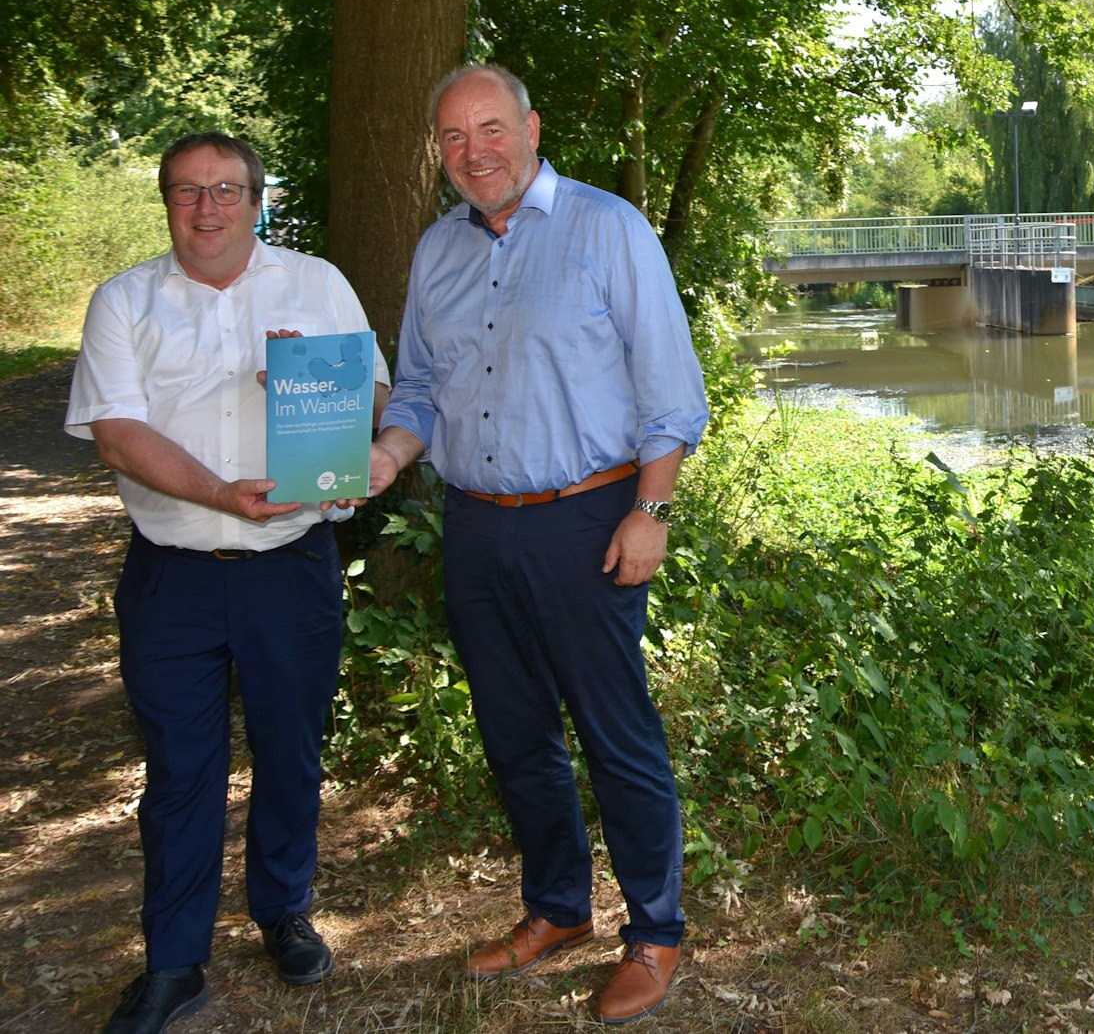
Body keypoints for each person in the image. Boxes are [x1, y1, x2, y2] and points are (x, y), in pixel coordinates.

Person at [366, 63, 708, 1025]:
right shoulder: (436, 250)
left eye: (490, 129)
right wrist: (391, 456)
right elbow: (423, 391)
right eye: (451, 137)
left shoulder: (608, 228)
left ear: (531, 127)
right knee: (516, 735)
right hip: (473, 525)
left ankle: (656, 930)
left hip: (588, 520)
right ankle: (557, 909)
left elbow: (670, 389)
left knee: (616, 735)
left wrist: (654, 509)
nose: (473, 152)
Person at [65, 131, 391, 1034]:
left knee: (291, 750)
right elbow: (117, 433)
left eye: (227, 190)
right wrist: (217, 493)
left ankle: (282, 909)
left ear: (259, 200)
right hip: (172, 574)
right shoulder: (125, 300)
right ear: (166, 201)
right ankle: (175, 960)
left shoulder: (317, 284)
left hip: (291, 567)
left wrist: (313, 378)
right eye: (187, 191)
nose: (207, 208)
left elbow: (372, 403)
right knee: (179, 771)